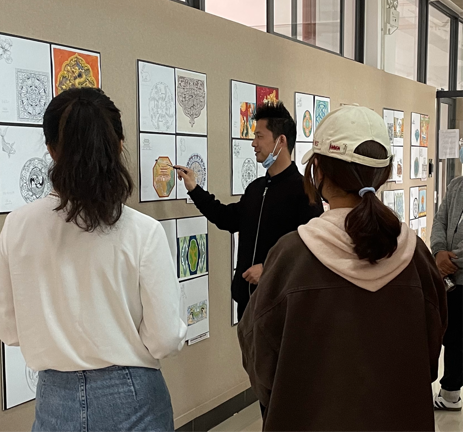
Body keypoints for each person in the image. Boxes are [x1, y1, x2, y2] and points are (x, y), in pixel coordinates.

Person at [238, 105, 447, 432]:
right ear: (384, 174)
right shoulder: (416, 255)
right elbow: (430, 356)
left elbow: (259, 358)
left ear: (318, 170)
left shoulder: (291, 255)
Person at [0, 88, 187, 432]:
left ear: (51, 150)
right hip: (133, 395)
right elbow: (165, 338)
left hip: (54, 399)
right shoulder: (143, 231)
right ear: (119, 146)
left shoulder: (17, 226)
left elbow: (7, 328)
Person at [176, 101, 323, 321]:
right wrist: (194, 189)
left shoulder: (305, 193)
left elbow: (311, 254)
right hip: (247, 307)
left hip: (281, 310)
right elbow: (226, 218)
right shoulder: (256, 189)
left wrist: (268, 269)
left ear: (281, 141)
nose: (254, 143)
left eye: (259, 136)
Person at [431, 175, 463, 410]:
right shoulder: (456, 185)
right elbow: (439, 221)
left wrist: (451, 261)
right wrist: (438, 251)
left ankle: (451, 392)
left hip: (454, 270)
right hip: (451, 280)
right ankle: (450, 391)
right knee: (452, 335)